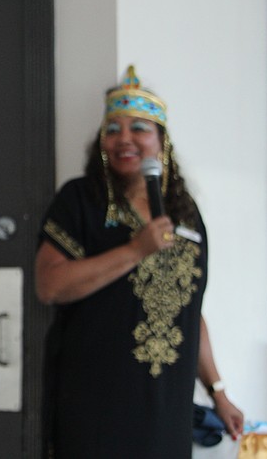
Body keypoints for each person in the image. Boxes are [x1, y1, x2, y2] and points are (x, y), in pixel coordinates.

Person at [34, 67, 243, 458]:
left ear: (161, 141)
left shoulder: (186, 215)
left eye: (139, 128)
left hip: (167, 409)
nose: (124, 139)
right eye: (113, 129)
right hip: (96, 405)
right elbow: (49, 286)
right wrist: (135, 250)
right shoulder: (80, 201)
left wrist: (219, 393)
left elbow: (190, 312)